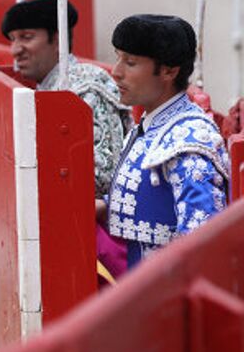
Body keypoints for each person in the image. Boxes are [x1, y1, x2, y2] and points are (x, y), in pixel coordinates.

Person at [98, 14, 229, 269]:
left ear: (169, 70)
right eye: (118, 58)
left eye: (131, 62)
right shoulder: (155, 125)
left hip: (162, 295)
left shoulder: (188, 143)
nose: (116, 72)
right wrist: (105, 204)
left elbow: (201, 243)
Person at [2, 0, 130, 198]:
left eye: (26, 37)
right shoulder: (47, 86)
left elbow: (104, 176)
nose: (15, 49)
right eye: (12, 39)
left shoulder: (87, 86)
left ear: (57, 40)